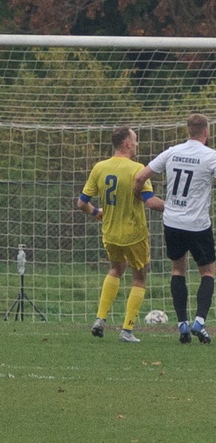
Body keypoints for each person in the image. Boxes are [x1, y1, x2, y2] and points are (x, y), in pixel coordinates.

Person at [133, 114, 216, 345]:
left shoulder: (171, 152)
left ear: (188, 131)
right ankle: (199, 321)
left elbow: (140, 177)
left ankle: (182, 325)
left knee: (178, 271)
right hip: (198, 225)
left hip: (172, 222)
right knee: (207, 272)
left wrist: (141, 195)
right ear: (206, 132)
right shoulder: (211, 156)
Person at [77, 126, 165, 343]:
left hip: (110, 233)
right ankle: (127, 330)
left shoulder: (100, 167)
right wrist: (177, 208)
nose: (136, 144)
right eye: (135, 140)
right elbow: (150, 202)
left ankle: (100, 319)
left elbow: (81, 203)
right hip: (134, 234)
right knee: (139, 278)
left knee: (115, 269)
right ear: (127, 143)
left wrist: (97, 212)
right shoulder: (138, 169)